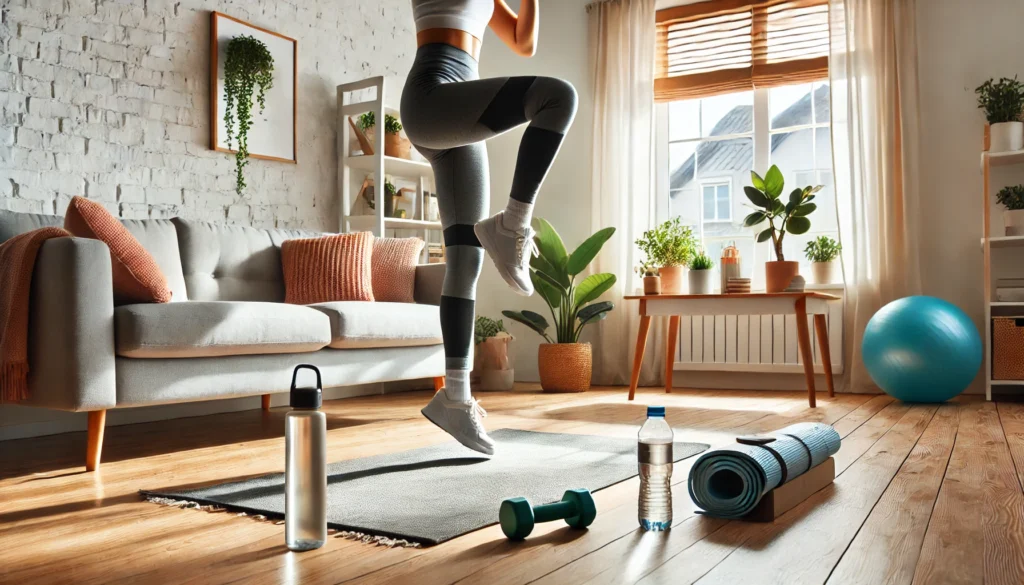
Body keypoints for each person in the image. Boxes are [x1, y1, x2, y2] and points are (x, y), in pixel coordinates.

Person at [402, 0, 577, 455]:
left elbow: (523, 41)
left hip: (459, 111)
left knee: (465, 262)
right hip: (432, 97)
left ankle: (454, 398)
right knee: (557, 97)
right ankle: (513, 223)